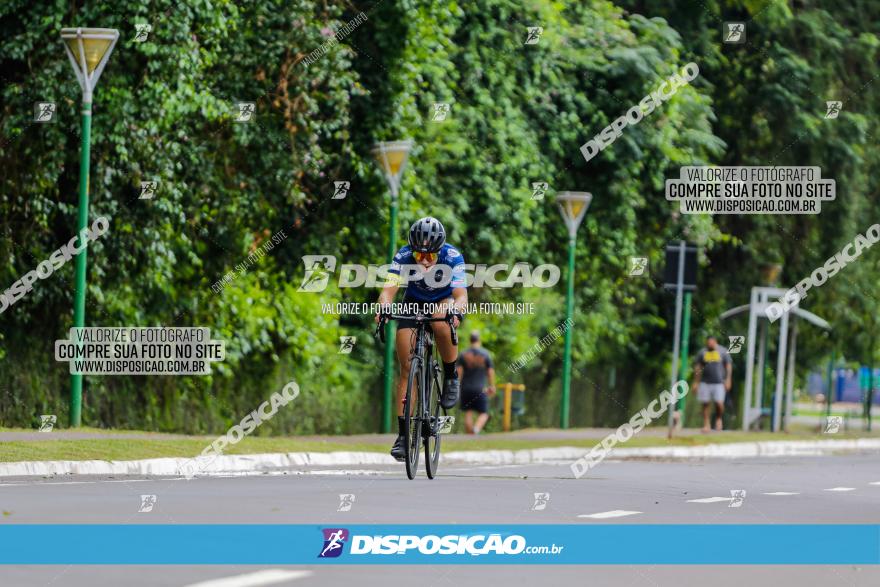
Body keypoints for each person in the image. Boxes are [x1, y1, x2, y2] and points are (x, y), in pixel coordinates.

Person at [375, 217, 468, 461]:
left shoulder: (452, 256)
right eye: (419, 255)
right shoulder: (403, 256)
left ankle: (450, 375)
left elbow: (461, 295)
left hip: (443, 302)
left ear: (440, 250)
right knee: (406, 368)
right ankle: (404, 436)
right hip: (413, 304)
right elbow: (388, 291)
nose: (424, 261)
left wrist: (456, 310)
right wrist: (383, 307)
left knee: (440, 319)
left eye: (430, 255)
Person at [457, 331, 496, 434]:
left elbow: (459, 372)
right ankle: (476, 429)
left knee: (468, 412)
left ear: (470, 340)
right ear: (479, 340)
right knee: (484, 413)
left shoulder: (463, 354)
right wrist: (492, 386)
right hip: (480, 388)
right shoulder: (485, 354)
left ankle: (470, 435)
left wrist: (457, 386)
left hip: (465, 388)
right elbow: (490, 371)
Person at [692, 335, 733, 432]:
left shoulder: (723, 351)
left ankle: (719, 419)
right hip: (705, 382)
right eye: (708, 342)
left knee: (719, 403)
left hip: (719, 382)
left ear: (715, 341)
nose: (709, 344)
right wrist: (696, 382)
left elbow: (728, 366)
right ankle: (707, 424)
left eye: (711, 342)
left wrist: (728, 379)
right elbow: (698, 367)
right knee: (705, 403)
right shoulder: (703, 352)